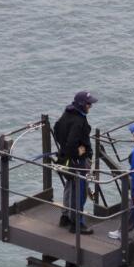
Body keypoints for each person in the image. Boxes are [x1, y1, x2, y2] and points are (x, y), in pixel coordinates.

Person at [53, 90, 97, 234]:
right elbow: (72, 140)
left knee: (69, 185)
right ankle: (77, 223)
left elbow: (57, 129)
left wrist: (65, 148)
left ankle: (65, 216)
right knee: (80, 190)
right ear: (82, 105)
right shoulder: (79, 121)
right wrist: (77, 152)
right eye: (89, 104)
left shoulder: (67, 113)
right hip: (77, 161)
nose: (90, 106)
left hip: (65, 157)